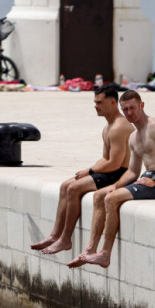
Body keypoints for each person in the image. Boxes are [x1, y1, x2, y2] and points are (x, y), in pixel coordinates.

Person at [68, 90, 155, 269]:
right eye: (125, 109)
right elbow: (132, 173)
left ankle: (104, 254)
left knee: (112, 199)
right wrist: (115, 185)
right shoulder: (133, 137)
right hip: (146, 178)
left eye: (132, 108)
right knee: (101, 195)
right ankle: (90, 250)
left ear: (142, 105)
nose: (129, 113)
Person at [31, 84, 132, 255]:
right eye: (95, 102)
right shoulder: (107, 127)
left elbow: (115, 163)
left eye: (99, 102)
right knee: (65, 185)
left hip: (119, 174)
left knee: (74, 188)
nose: (95, 106)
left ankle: (65, 239)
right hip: (110, 171)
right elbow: (104, 158)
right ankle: (55, 235)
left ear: (113, 103)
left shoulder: (118, 127)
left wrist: (91, 172)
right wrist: (89, 169)